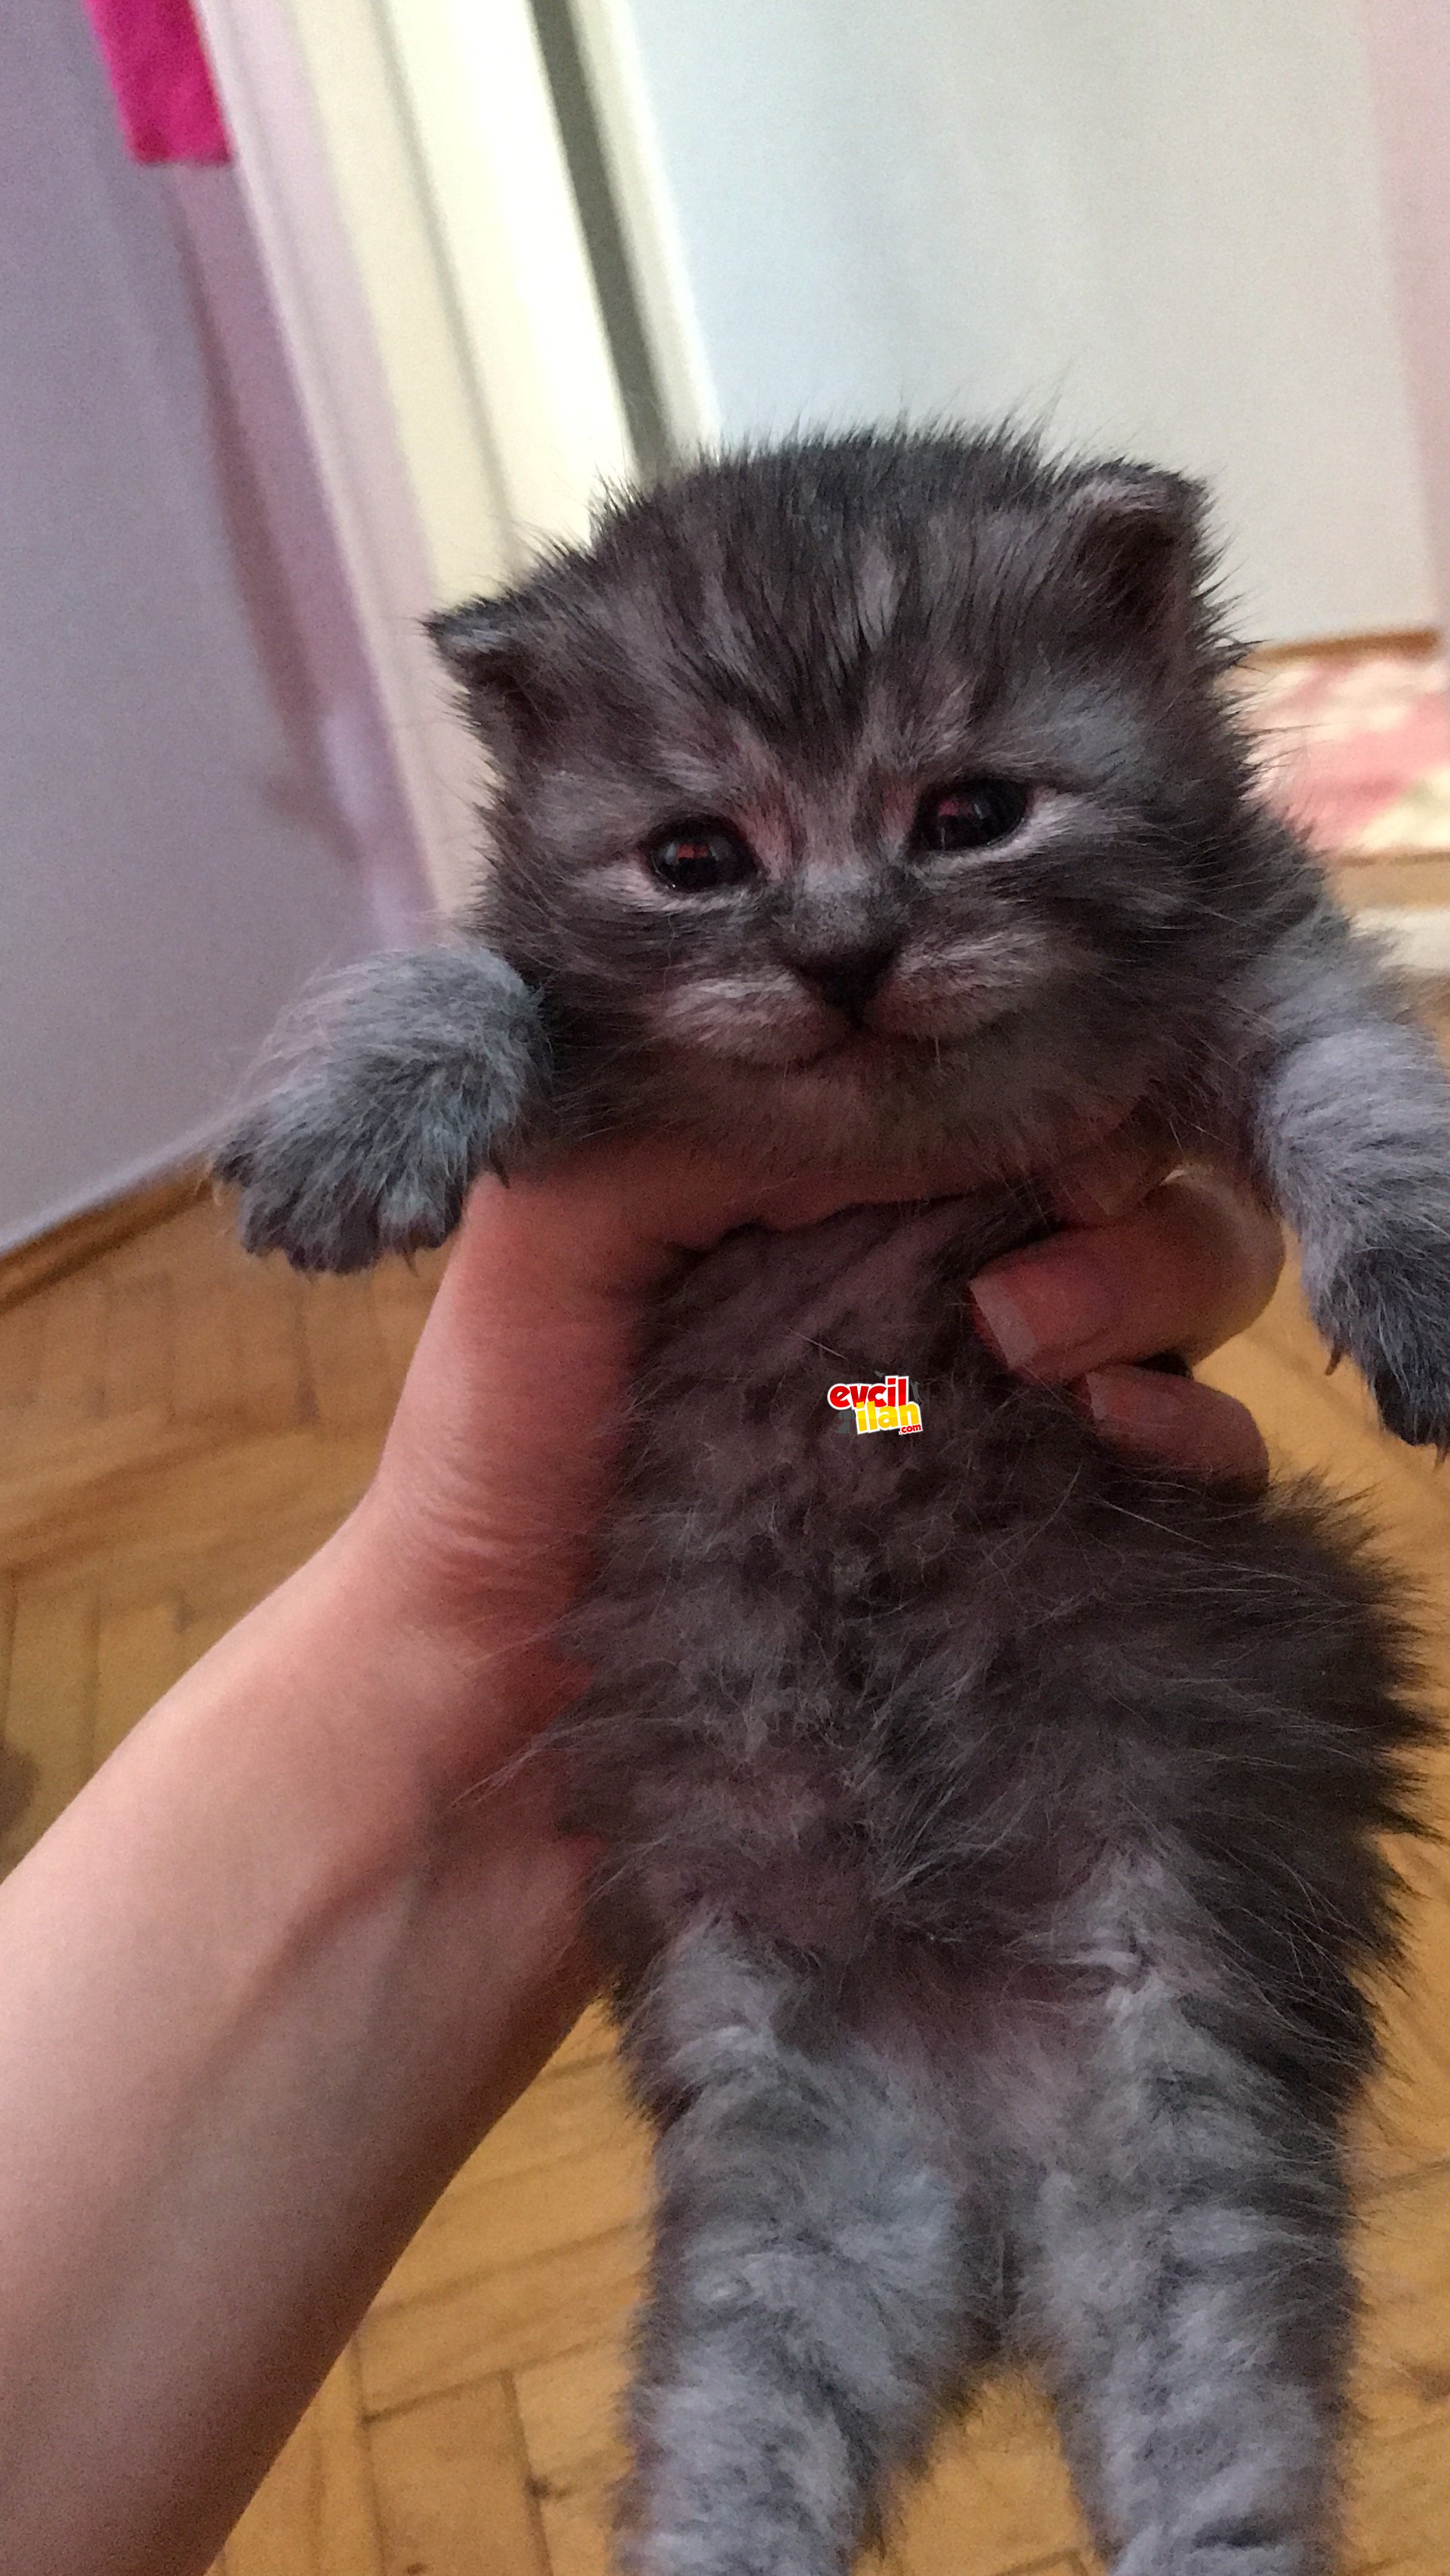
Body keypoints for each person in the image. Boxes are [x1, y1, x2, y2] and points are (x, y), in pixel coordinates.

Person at [0, 1132, 1282, 2576]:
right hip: (823, 1635)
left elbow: (883, 1403)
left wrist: (907, 1408)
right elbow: (862, 1406)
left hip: (987, 1663)